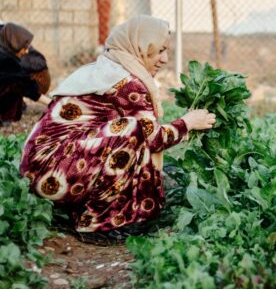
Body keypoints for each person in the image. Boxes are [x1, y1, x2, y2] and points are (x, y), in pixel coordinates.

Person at [20, 15, 216, 243]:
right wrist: (189, 122)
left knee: (134, 137)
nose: (165, 59)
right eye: (159, 50)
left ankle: (110, 211)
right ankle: (95, 224)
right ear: (140, 46)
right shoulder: (127, 83)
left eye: (166, 51)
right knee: (131, 130)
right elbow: (154, 139)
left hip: (42, 167)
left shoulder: (110, 67)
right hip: (51, 171)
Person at [0, 23, 51, 122]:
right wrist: (52, 103)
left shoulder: (4, 50)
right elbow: (27, 86)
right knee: (14, 84)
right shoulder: (5, 60)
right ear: (14, 43)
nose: (27, 51)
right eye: (25, 47)